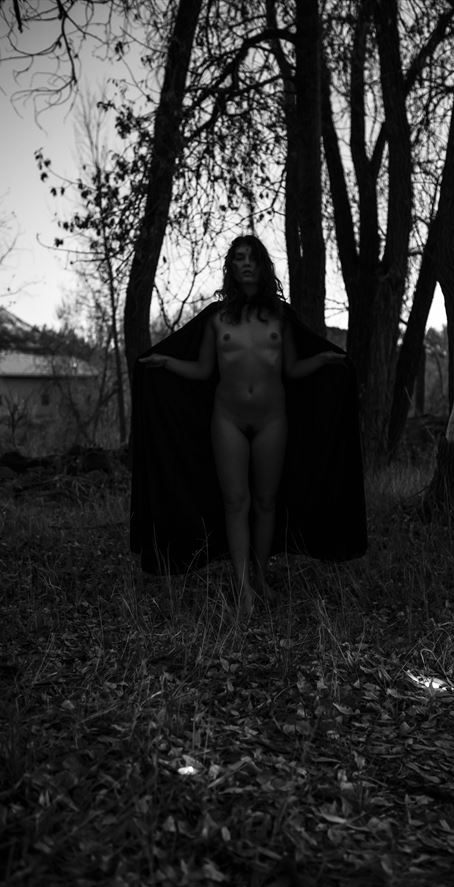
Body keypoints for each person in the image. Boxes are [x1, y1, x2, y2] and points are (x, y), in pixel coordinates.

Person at [130, 234, 367, 612]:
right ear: (231, 268)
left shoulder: (280, 316)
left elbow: (292, 369)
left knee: (266, 502)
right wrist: (168, 362)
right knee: (235, 502)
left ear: (262, 266)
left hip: (272, 419)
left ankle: (260, 578)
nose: (245, 264)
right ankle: (243, 591)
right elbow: (204, 370)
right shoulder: (217, 318)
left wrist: (322, 360)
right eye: (238, 258)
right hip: (228, 420)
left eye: (251, 258)